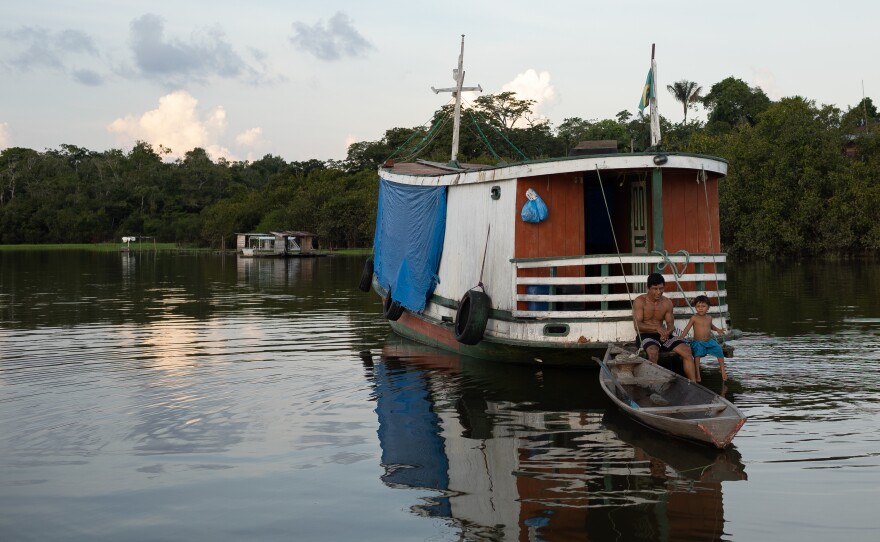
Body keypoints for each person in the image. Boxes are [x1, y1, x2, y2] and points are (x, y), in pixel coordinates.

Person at [632, 272, 696, 381]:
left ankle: (694, 385)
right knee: (653, 352)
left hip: (663, 335)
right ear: (648, 288)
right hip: (646, 335)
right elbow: (637, 326)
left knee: (687, 350)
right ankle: (653, 385)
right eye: (655, 289)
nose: (658, 292)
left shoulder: (667, 302)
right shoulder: (640, 301)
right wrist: (656, 328)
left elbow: (671, 325)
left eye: (661, 288)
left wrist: (667, 332)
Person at [677, 295, 728, 381]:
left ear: (708, 308)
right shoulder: (694, 318)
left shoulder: (709, 318)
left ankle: (722, 370)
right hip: (698, 342)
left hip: (709, 341)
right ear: (695, 307)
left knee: (719, 349)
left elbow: (711, 326)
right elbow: (687, 327)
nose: (700, 308)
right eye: (698, 306)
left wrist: (718, 330)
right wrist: (682, 336)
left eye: (703, 306)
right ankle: (698, 373)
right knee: (697, 355)